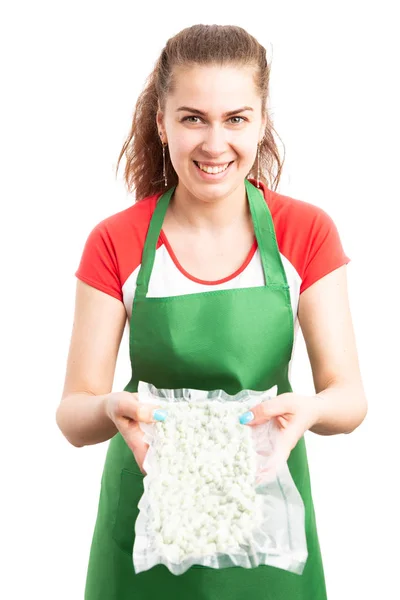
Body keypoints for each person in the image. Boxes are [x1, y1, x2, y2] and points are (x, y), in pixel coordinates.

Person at [56, 23, 368, 600]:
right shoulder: (116, 242)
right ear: (161, 121)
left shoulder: (305, 233)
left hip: (266, 520)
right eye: (193, 117)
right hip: (144, 531)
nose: (214, 143)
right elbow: (74, 415)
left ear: (261, 121)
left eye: (236, 119)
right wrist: (110, 406)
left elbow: (349, 398)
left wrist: (309, 411)